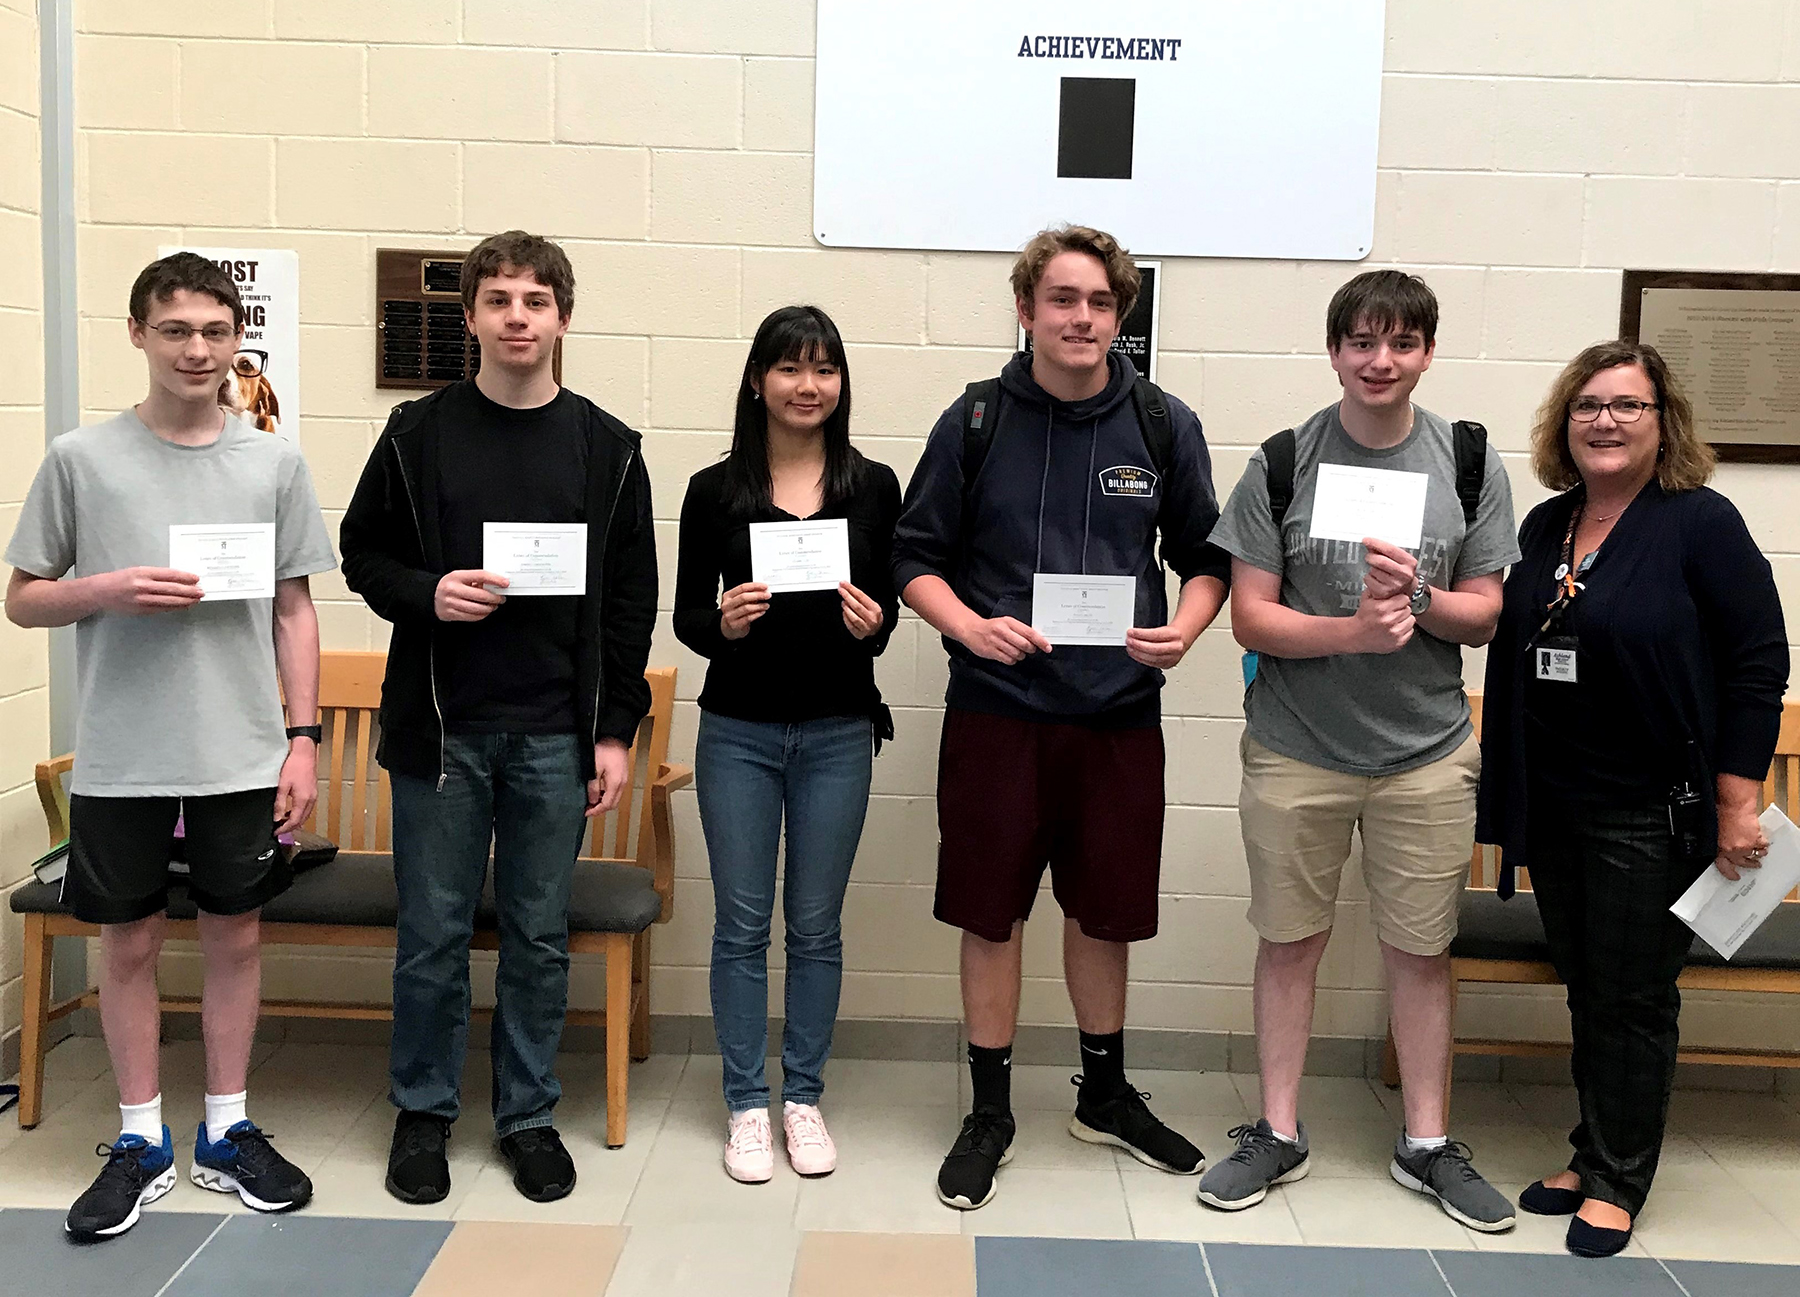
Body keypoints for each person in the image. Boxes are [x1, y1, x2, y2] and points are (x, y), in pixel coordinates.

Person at [893, 225, 1231, 1210]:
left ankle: (1106, 1096)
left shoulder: (1165, 423)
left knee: (1104, 913)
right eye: (1062, 300)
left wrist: (1186, 631)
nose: (1081, 319)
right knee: (991, 915)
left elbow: (1208, 559)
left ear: (1120, 318)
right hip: (999, 711)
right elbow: (913, 557)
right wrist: (970, 626)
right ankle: (990, 1110)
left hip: (1119, 716)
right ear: (1027, 309)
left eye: (1099, 304)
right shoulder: (975, 421)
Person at [4, 252, 335, 1240]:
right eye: (177, 330)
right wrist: (103, 590)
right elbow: (23, 597)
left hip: (241, 753)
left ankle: (227, 1131)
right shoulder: (80, 459)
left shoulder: (273, 461)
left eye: (215, 331)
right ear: (140, 335)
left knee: (236, 938)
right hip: (122, 756)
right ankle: (141, 1139)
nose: (198, 349)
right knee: (131, 943)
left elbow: (295, 610)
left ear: (239, 340)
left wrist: (304, 738)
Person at [340, 231, 657, 1205]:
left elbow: (628, 604)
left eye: (536, 300)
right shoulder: (414, 435)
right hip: (442, 732)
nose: (518, 317)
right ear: (470, 316)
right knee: (430, 934)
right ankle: (424, 1113)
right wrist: (428, 593)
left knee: (537, 934)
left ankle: (526, 1116)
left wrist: (614, 732)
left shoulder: (607, 449)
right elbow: (363, 555)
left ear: (564, 316)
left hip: (557, 737)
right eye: (500, 300)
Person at [1204, 269, 1520, 1231]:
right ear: (1334, 349)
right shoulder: (1282, 460)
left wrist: (1418, 600)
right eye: (1362, 343)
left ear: (1427, 351)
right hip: (1297, 748)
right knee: (1289, 940)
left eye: (1402, 343)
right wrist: (1351, 631)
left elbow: (1486, 615)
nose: (1380, 361)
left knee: (1420, 951)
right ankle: (1278, 1129)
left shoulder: (1468, 460)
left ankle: (1426, 1143)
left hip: (1425, 752)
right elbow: (1250, 620)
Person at [1476, 341, 1787, 1257]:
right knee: (1590, 987)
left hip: (1652, 810)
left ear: (1664, 423)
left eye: (1627, 406)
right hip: (1560, 802)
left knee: (1633, 997)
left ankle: (1619, 1175)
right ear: (1563, 422)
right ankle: (1593, 1147)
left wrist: (1740, 802)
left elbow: (1756, 663)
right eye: (1587, 405)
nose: (1604, 421)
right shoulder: (1548, 524)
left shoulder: (1700, 523)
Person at [673, 306, 902, 1184]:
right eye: (790, 368)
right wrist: (721, 624)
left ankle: (801, 1097)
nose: (809, 386)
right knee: (741, 924)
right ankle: (743, 1104)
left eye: (826, 369)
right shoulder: (714, 488)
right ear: (758, 380)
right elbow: (690, 614)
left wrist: (876, 622)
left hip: (840, 730)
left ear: (841, 384)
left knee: (814, 925)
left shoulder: (873, 485)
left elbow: (883, 617)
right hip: (737, 730)